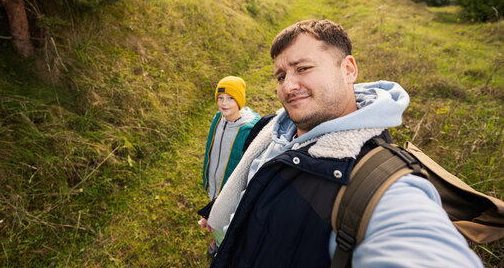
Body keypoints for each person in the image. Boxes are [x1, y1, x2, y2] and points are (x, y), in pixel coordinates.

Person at [206, 20, 483, 267]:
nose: (287, 87)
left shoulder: (385, 190)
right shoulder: (275, 127)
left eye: (303, 68)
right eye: (281, 76)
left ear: (348, 70)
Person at [198, 76, 260, 256]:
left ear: (240, 99)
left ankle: (222, 247)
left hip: (232, 191)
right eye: (220, 98)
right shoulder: (218, 118)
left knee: (227, 223)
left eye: (231, 98)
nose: (224, 103)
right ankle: (219, 241)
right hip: (215, 183)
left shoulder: (249, 130)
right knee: (216, 218)